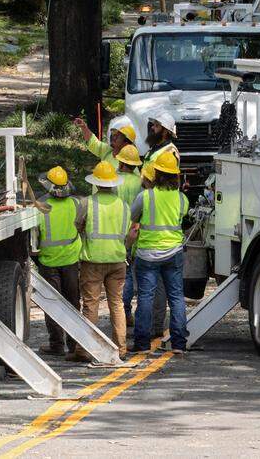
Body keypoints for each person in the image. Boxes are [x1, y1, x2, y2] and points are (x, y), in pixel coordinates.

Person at [128, 151, 189, 353]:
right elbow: (182, 218)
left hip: (147, 254)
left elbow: (133, 216)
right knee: (177, 297)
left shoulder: (145, 196)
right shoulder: (182, 199)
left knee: (145, 297)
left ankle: (142, 343)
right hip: (173, 253)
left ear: (156, 174)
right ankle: (179, 343)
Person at [71, 161, 131, 361]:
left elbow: (77, 225)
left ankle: (85, 350)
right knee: (117, 304)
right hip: (117, 260)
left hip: (93, 261)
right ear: (114, 184)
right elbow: (128, 232)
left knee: (90, 305)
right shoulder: (123, 205)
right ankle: (121, 349)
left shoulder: (87, 203)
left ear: (96, 183)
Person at [36, 166, 84, 356]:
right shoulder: (76, 204)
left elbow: (36, 234)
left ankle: (56, 344)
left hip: (48, 261)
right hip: (71, 260)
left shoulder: (40, 205)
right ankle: (74, 345)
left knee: (52, 303)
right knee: (73, 302)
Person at [115, 145, 143, 326]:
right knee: (134, 275)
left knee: (123, 276)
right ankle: (131, 312)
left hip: (116, 232)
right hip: (136, 232)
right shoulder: (139, 183)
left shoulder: (115, 181)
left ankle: (123, 311)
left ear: (120, 161)